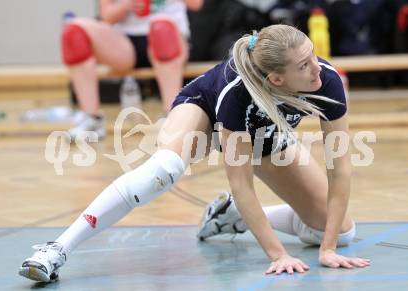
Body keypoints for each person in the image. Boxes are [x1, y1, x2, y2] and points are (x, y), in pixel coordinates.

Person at [19, 24, 370, 282]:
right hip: (204, 111)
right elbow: (242, 182)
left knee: (341, 233)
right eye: (304, 65)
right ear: (277, 79)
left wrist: (327, 250)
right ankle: (56, 249)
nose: (317, 69)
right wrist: (277, 254)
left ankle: (227, 216)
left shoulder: (327, 83)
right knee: (162, 171)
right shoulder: (238, 96)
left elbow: (339, 170)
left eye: (313, 57)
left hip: (264, 129)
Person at [63, 0, 203, 140]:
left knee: (161, 30)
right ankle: (91, 120)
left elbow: (196, 3)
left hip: (170, 34)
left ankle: (172, 118)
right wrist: (126, 4)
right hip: (125, 42)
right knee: (74, 33)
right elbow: (106, 16)